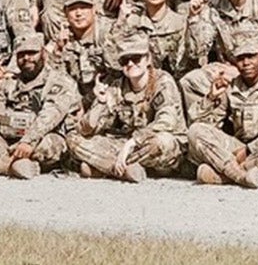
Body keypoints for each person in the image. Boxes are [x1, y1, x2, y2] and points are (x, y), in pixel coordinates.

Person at [182, 31, 258, 188]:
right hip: (238, 148)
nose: (246, 63)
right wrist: (211, 97)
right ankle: (241, 176)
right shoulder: (231, 86)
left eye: (251, 56)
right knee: (195, 131)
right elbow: (204, 125)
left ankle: (225, 174)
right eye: (240, 58)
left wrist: (250, 150)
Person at [0, 31, 82, 179]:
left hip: (41, 139)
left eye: (32, 53)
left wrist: (28, 141)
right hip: (7, 141)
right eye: (21, 54)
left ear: (43, 54)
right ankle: (9, 166)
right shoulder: (9, 83)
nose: (26, 58)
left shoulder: (59, 81)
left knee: (50, 144)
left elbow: (51, 115)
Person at [70, 34, 188, 183]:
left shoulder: (163, 81)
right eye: (125, 60)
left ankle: (104, 166)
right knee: (73, 138)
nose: (130, 64)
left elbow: (167, 122)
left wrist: (133, 142)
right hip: (127, 145)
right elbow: (86, 130)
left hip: (156, 145)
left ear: (148, 60)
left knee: (161, 142)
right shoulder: (117, 87)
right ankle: (121, 169)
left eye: (136, 58)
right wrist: (100, 102)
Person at [115, 0, 196, 76]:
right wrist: (121, 20)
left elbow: (189, 61)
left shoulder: (180, 23)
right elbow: (113, 59)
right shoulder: (132, 21)